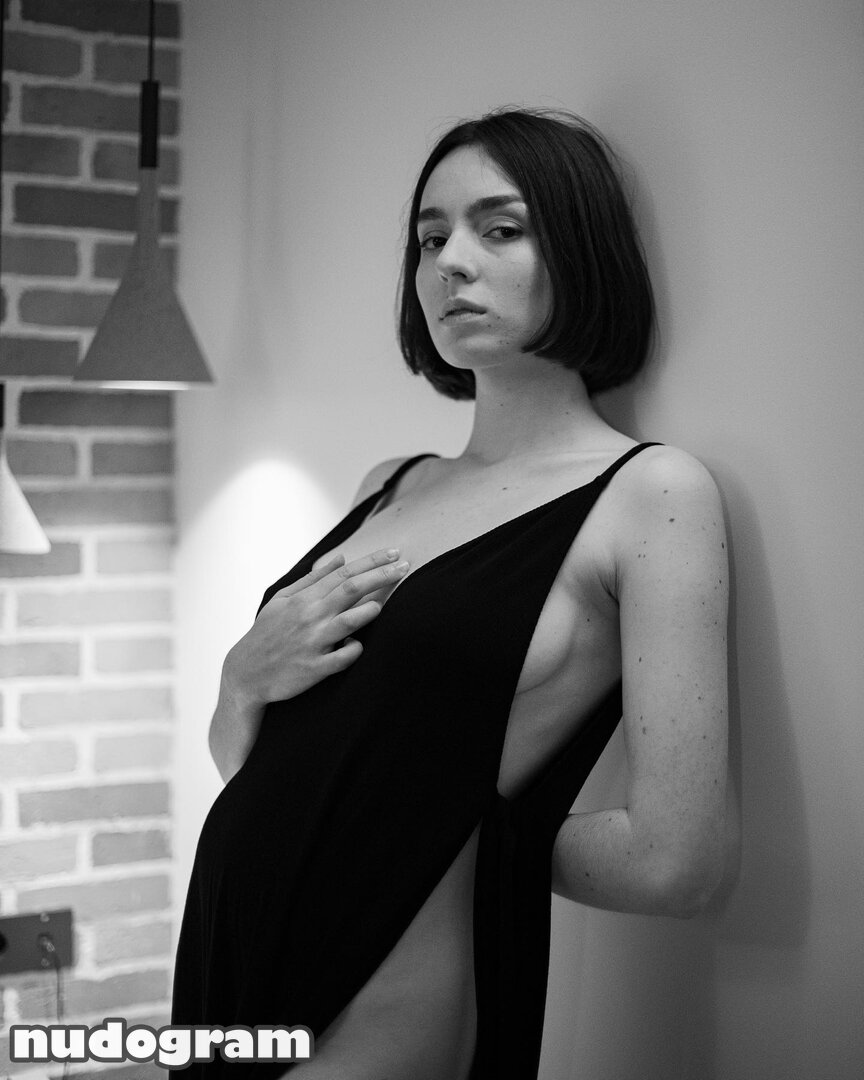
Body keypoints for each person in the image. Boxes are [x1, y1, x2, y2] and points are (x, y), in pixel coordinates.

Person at [171, 108, 733, 1079]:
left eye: (499, 229)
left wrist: (441, 837)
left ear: (582, 249)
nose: (449, 264)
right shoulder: (389, 485)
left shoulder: (651, 494)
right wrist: (240, 679)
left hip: (386, 978)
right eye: (430, 240)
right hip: (228, 947)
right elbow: (258, 766)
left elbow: (675, 863)